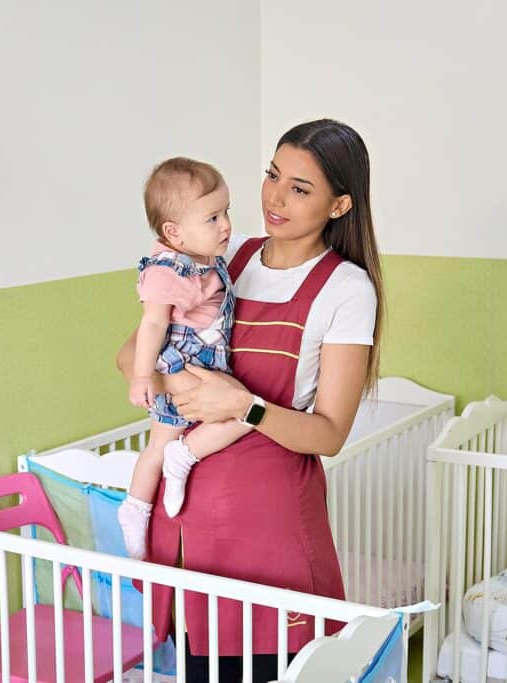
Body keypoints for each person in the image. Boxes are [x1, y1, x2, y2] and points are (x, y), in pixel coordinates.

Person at [117, 119, 385, 681]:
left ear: (339, 206)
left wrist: (243, 406)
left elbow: (329, 434)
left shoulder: (345, 290)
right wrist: (189, 389)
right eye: (272, 175)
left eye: (300, 188)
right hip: (191, 525)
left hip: (270, 534)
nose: (275, 197)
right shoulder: (222, 256)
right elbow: (130, 355)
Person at [117, 157, 254, 560]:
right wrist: (142, 377)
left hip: (207, 365)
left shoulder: (204, 257)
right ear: (174, 232)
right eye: (212, 217)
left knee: (163, 442)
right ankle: (140, 505)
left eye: (226, 211)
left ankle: (169, 469)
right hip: (182, 363)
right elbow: (152, 326)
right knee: (248, 414)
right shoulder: (166, 272)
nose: (226, 224)